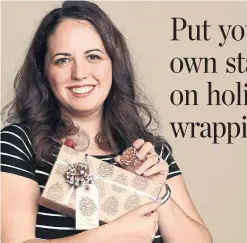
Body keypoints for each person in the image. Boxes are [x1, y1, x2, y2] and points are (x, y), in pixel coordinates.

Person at [1, 1, 213, 243]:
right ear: (44, 72)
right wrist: (111, 235)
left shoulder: (149, 152)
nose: (79, 73)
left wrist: (156, 191)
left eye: (93, 56)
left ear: (114, 64)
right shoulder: (19, 144)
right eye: (63, 60)